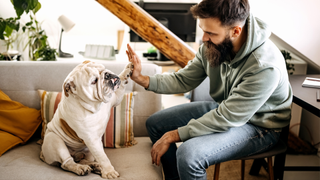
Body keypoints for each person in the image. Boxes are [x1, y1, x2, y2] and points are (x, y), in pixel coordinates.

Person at [126, 0, 292, 179]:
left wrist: (173, 135)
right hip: (227, 108)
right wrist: (142, 79)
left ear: (236, 31)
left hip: (261, 126)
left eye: (210, 33)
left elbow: (227, 117)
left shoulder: (264, 65)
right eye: (203, 30)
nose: (204, 38)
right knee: (155, 124)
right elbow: (184, 79)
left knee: (189, 155)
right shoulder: (214, 45)